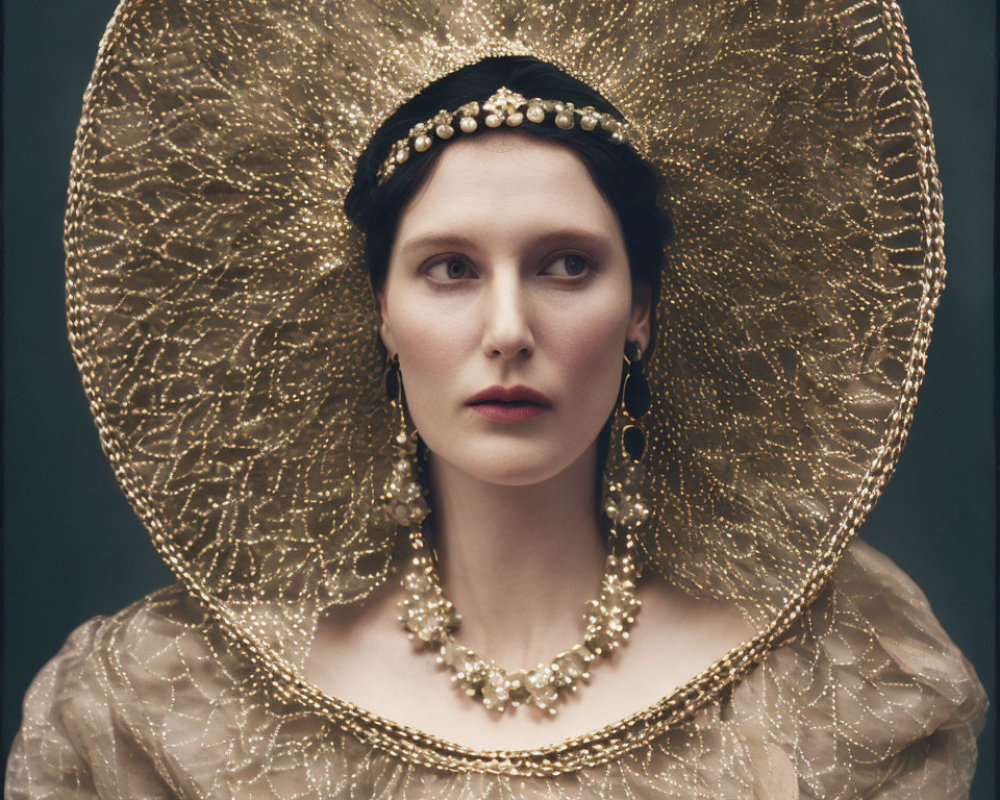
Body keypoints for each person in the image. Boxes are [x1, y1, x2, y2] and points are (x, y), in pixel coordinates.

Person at [6, 1, 987, 797]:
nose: (510, 326)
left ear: (639, 307)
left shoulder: (825, 698)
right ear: (380, 309)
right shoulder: (164, 708)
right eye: (450, 269)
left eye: (567, 264)